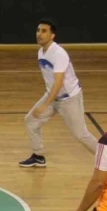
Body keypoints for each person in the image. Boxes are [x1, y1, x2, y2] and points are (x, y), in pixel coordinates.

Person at [19, 18, 97, 168]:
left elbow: (59, 82)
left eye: (44, 31)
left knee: (81, 134)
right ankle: (38, 156)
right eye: (38, 30)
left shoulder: (58, 53)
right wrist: (48, 100)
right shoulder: (41, 52)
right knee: (31, 121)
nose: (39, 34)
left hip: (69, 99)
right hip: (52, 96)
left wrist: (45, 105)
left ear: (52, 35)